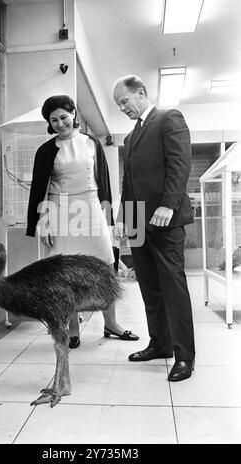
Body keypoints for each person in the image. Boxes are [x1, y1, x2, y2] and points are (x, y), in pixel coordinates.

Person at [26, 94, 139, 348]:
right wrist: (42, 222)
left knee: (105, 267)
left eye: (63, 117)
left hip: (90, 207)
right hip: (59, 211)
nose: (59, 123)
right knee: (65, 274)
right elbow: (38, 190)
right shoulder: (45, 151)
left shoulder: (92, 143)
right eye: (53, 120)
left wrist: (109, 217)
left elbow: (104, 182)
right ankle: (73, 330)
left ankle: (111, 323)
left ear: (73, 114)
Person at [113, 76, 195, 382]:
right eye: (118, 105)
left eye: (124, 101)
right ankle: (160, 344)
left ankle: (185, 355)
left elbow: (180, 162)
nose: (122, 108)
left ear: (141, 92)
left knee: (173, 287)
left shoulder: (168, 118)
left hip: (165, 218)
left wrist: (169, 204)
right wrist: (123, 217)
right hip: (137, 221)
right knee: (148, 286)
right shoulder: (130, 138)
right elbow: (128, 182)